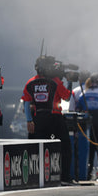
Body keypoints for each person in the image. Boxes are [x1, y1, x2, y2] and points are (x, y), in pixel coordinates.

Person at [22, 56, 73, 184]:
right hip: (55, 117)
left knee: (35, 148)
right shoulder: (55, 81)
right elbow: (67, 97)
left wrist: (29, 120)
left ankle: (34, 178)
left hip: (37, 119)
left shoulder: (30, 82)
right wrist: (70, 82)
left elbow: (26, 103)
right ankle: (65, 178)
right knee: (65, 147)